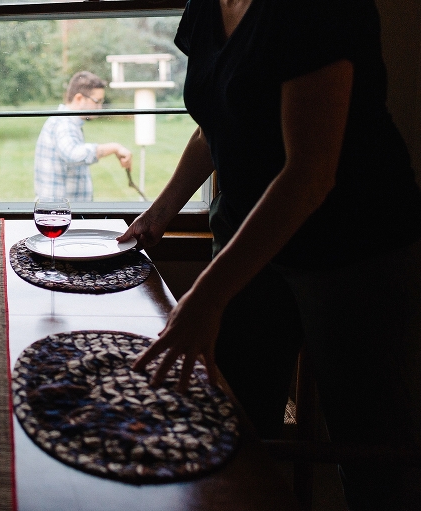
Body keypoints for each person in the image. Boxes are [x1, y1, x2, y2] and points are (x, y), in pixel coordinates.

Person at [118, 0, 421, 508]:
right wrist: (159, 213)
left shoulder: (315, 10)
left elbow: (308, 174)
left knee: (370, 445)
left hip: (355, 253)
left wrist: (207, 295)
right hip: (246, 244)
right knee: (232, 427)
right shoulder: (208, 8)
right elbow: (214, 122)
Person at [34, 71, 132, 202]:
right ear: (79, 98)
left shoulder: (66, 122)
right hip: (59, 214)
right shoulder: (63, 123)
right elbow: (73, 154)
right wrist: (114, 147)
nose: (100, 107)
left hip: (61, 212)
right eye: (97, 101)